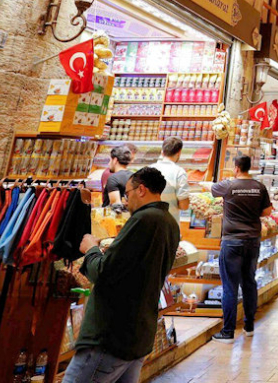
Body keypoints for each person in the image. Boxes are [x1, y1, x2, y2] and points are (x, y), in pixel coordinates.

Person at [65, 167, 180, 383]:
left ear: (142, 190)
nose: (126, 201)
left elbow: (104, 272)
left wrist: (91, 249)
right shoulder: (169, 222)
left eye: (128, 194)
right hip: (138, 333)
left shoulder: (143, 220)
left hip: (112, 335)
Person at [209, 154, 273, 342]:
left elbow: (211, 190)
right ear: (249, 167)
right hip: (252, 240)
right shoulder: (259, 187)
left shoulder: (228, 185)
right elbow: (267, 211)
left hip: (232, 242)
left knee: (230, 287)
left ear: (236, 167)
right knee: (249, 283)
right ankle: (249, 326)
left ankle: (228, 332)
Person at [149, 136, 191, 221]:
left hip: (149, 223)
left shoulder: (148, 170)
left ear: (162, 152)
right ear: (179, 153)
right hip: (169, 224)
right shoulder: (179, 172)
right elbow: (184, 205)